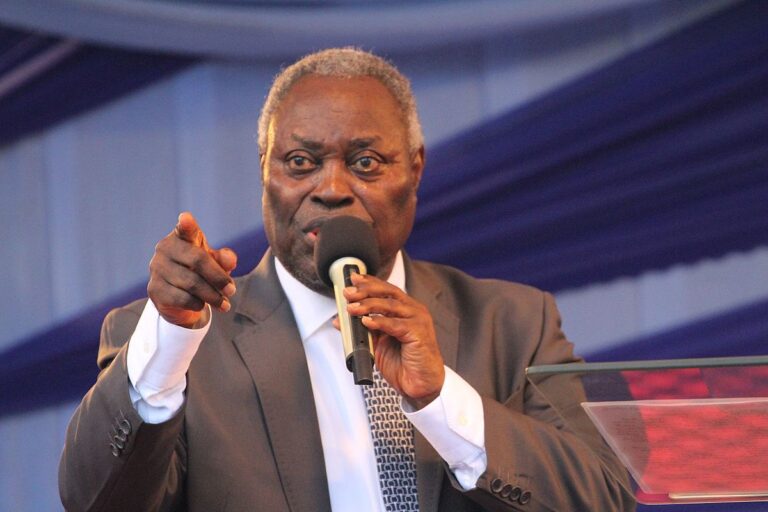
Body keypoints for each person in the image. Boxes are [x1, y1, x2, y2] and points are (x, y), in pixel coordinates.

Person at [59, 48, 635, 512]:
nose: (332, 189)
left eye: (365, 163)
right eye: (301, 162)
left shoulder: (513, 323)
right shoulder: (174, 342)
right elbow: (97, 502)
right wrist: (168, 340)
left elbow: (604, 498)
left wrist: (442, 399)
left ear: (415, 169)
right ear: (264, 170)